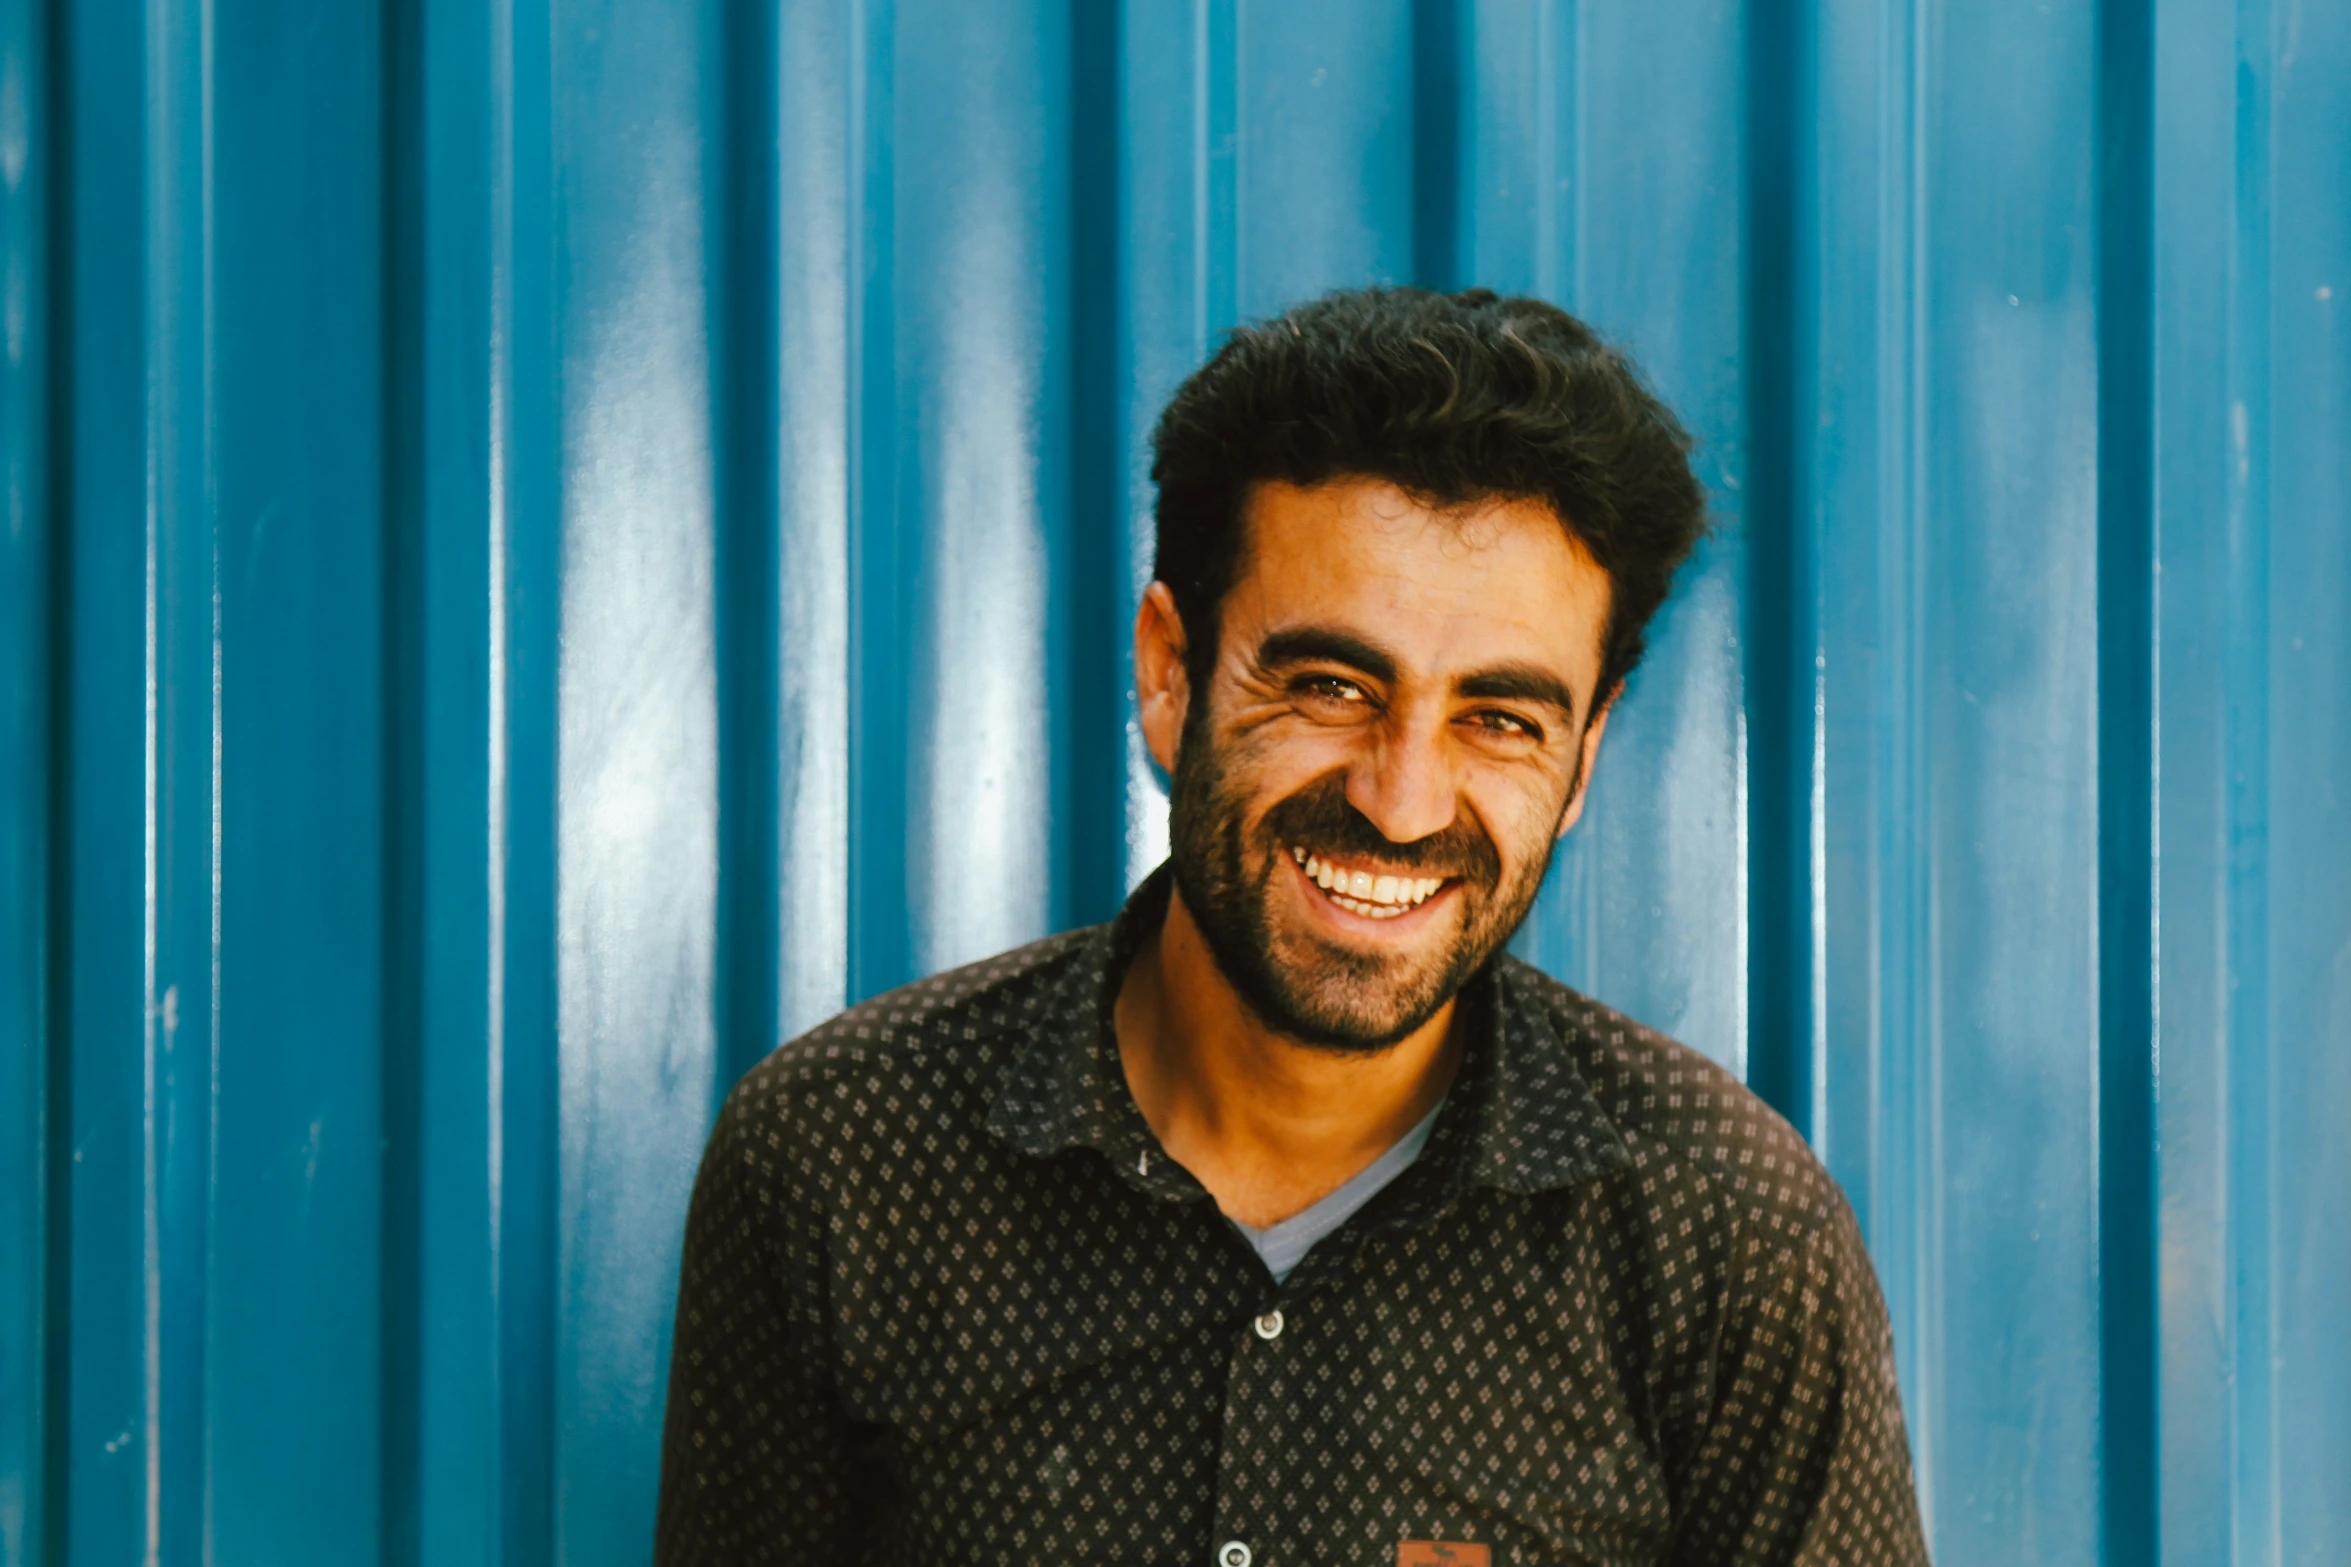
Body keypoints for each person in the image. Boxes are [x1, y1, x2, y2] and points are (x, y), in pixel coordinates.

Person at [654, 287, 1930, 1565]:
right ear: (1171, 673)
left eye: (1499, 717)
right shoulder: (841, 1162)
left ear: (1581, 758)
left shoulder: (1723, 1234)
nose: (1401, 796)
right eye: (1328, 685)